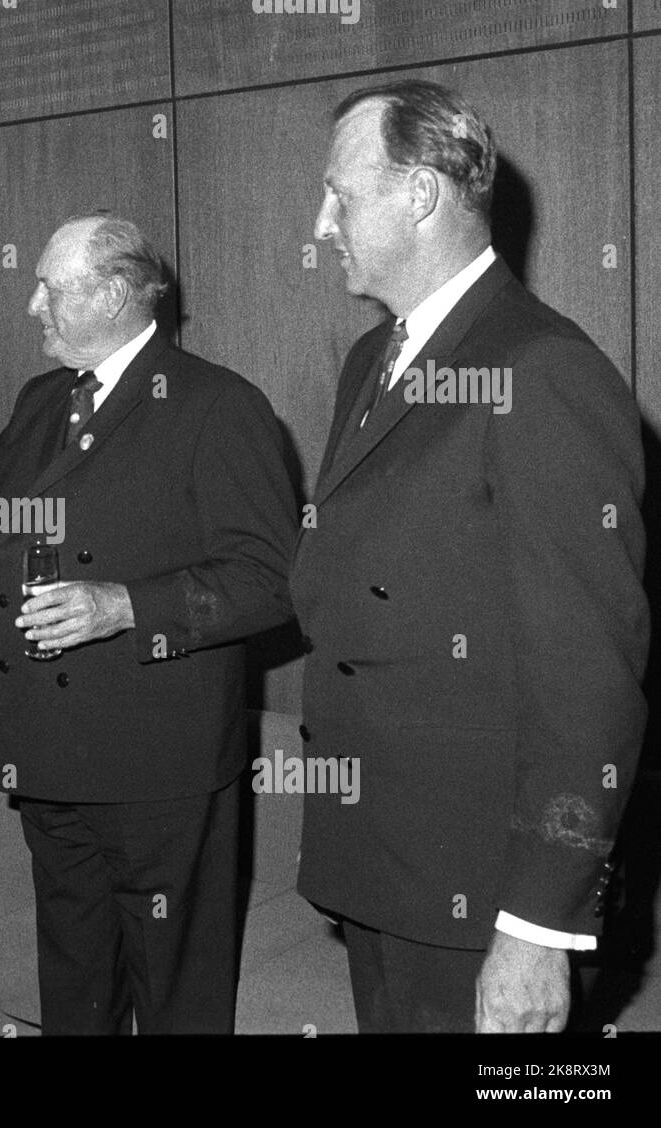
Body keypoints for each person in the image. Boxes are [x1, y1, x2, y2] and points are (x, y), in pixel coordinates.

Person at [0, 213, 296, 1034]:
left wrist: (123, 607)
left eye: (50, 286)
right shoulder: (40, 401)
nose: (32, 304)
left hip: (164, 772)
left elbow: (272, 582)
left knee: (179, 1002)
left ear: (113, 295)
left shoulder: (220, 406)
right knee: (73, 994)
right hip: (52, 759)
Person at [292, 79, 649, 1033]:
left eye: (341, 192)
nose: (322, 219)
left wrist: (538, 926)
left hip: (478, 883)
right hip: (384, 858)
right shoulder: (374, 362)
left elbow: (591, 682)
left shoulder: (543, 370)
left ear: (418, 195)